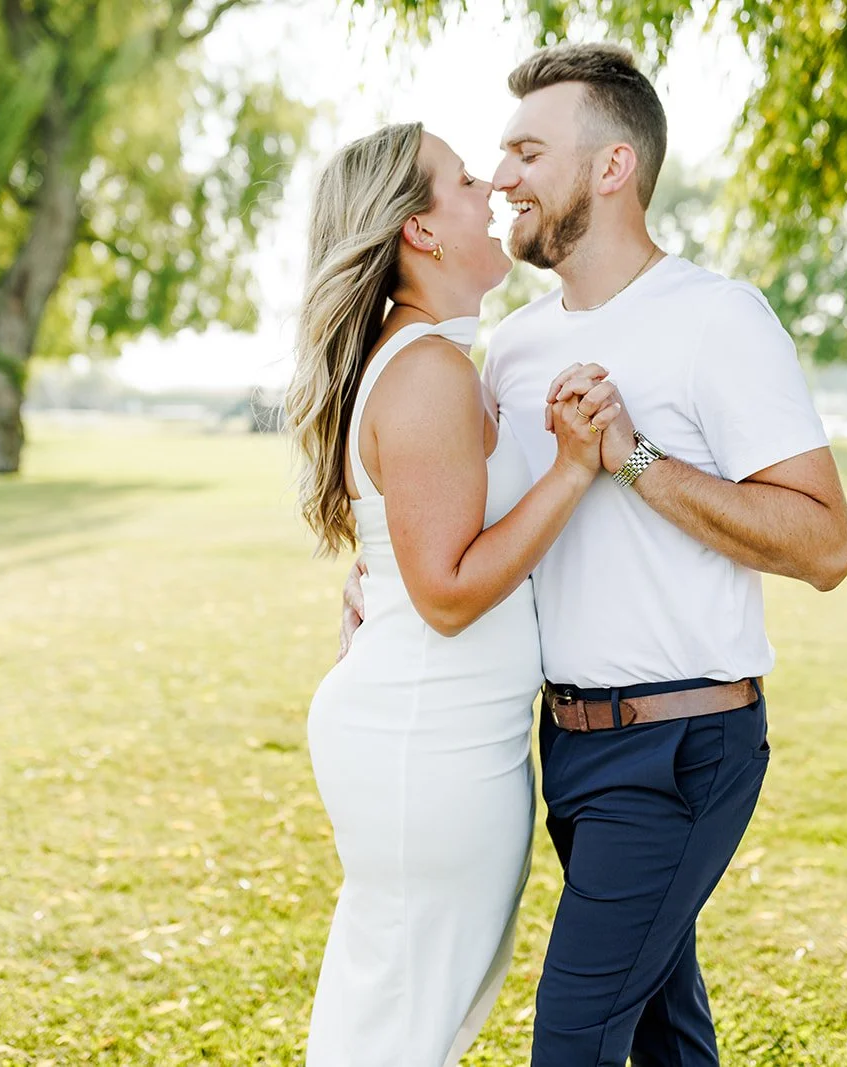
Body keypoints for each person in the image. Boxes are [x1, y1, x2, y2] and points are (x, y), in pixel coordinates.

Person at [340, 44, 847, 1066]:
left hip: (680, 742)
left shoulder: (718, 318)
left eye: (528, 151)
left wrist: (635, 457)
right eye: (497, 156)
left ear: (612, 167)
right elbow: (472, 514)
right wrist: (383, 585)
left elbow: (826, 543)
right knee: (664, 1028)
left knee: (573, 1036)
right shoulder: (513, 349)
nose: (504, 178)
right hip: (566, 743)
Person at [284, 122, 625, 1067]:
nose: (493, 189)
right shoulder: (428, 371)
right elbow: (444, 591)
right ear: (421, 233)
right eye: (467, 179)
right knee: (396, 1027)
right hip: (425, 745)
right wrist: (571, 468)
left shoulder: (438, 359)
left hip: (444, 737)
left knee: (401, 1016)